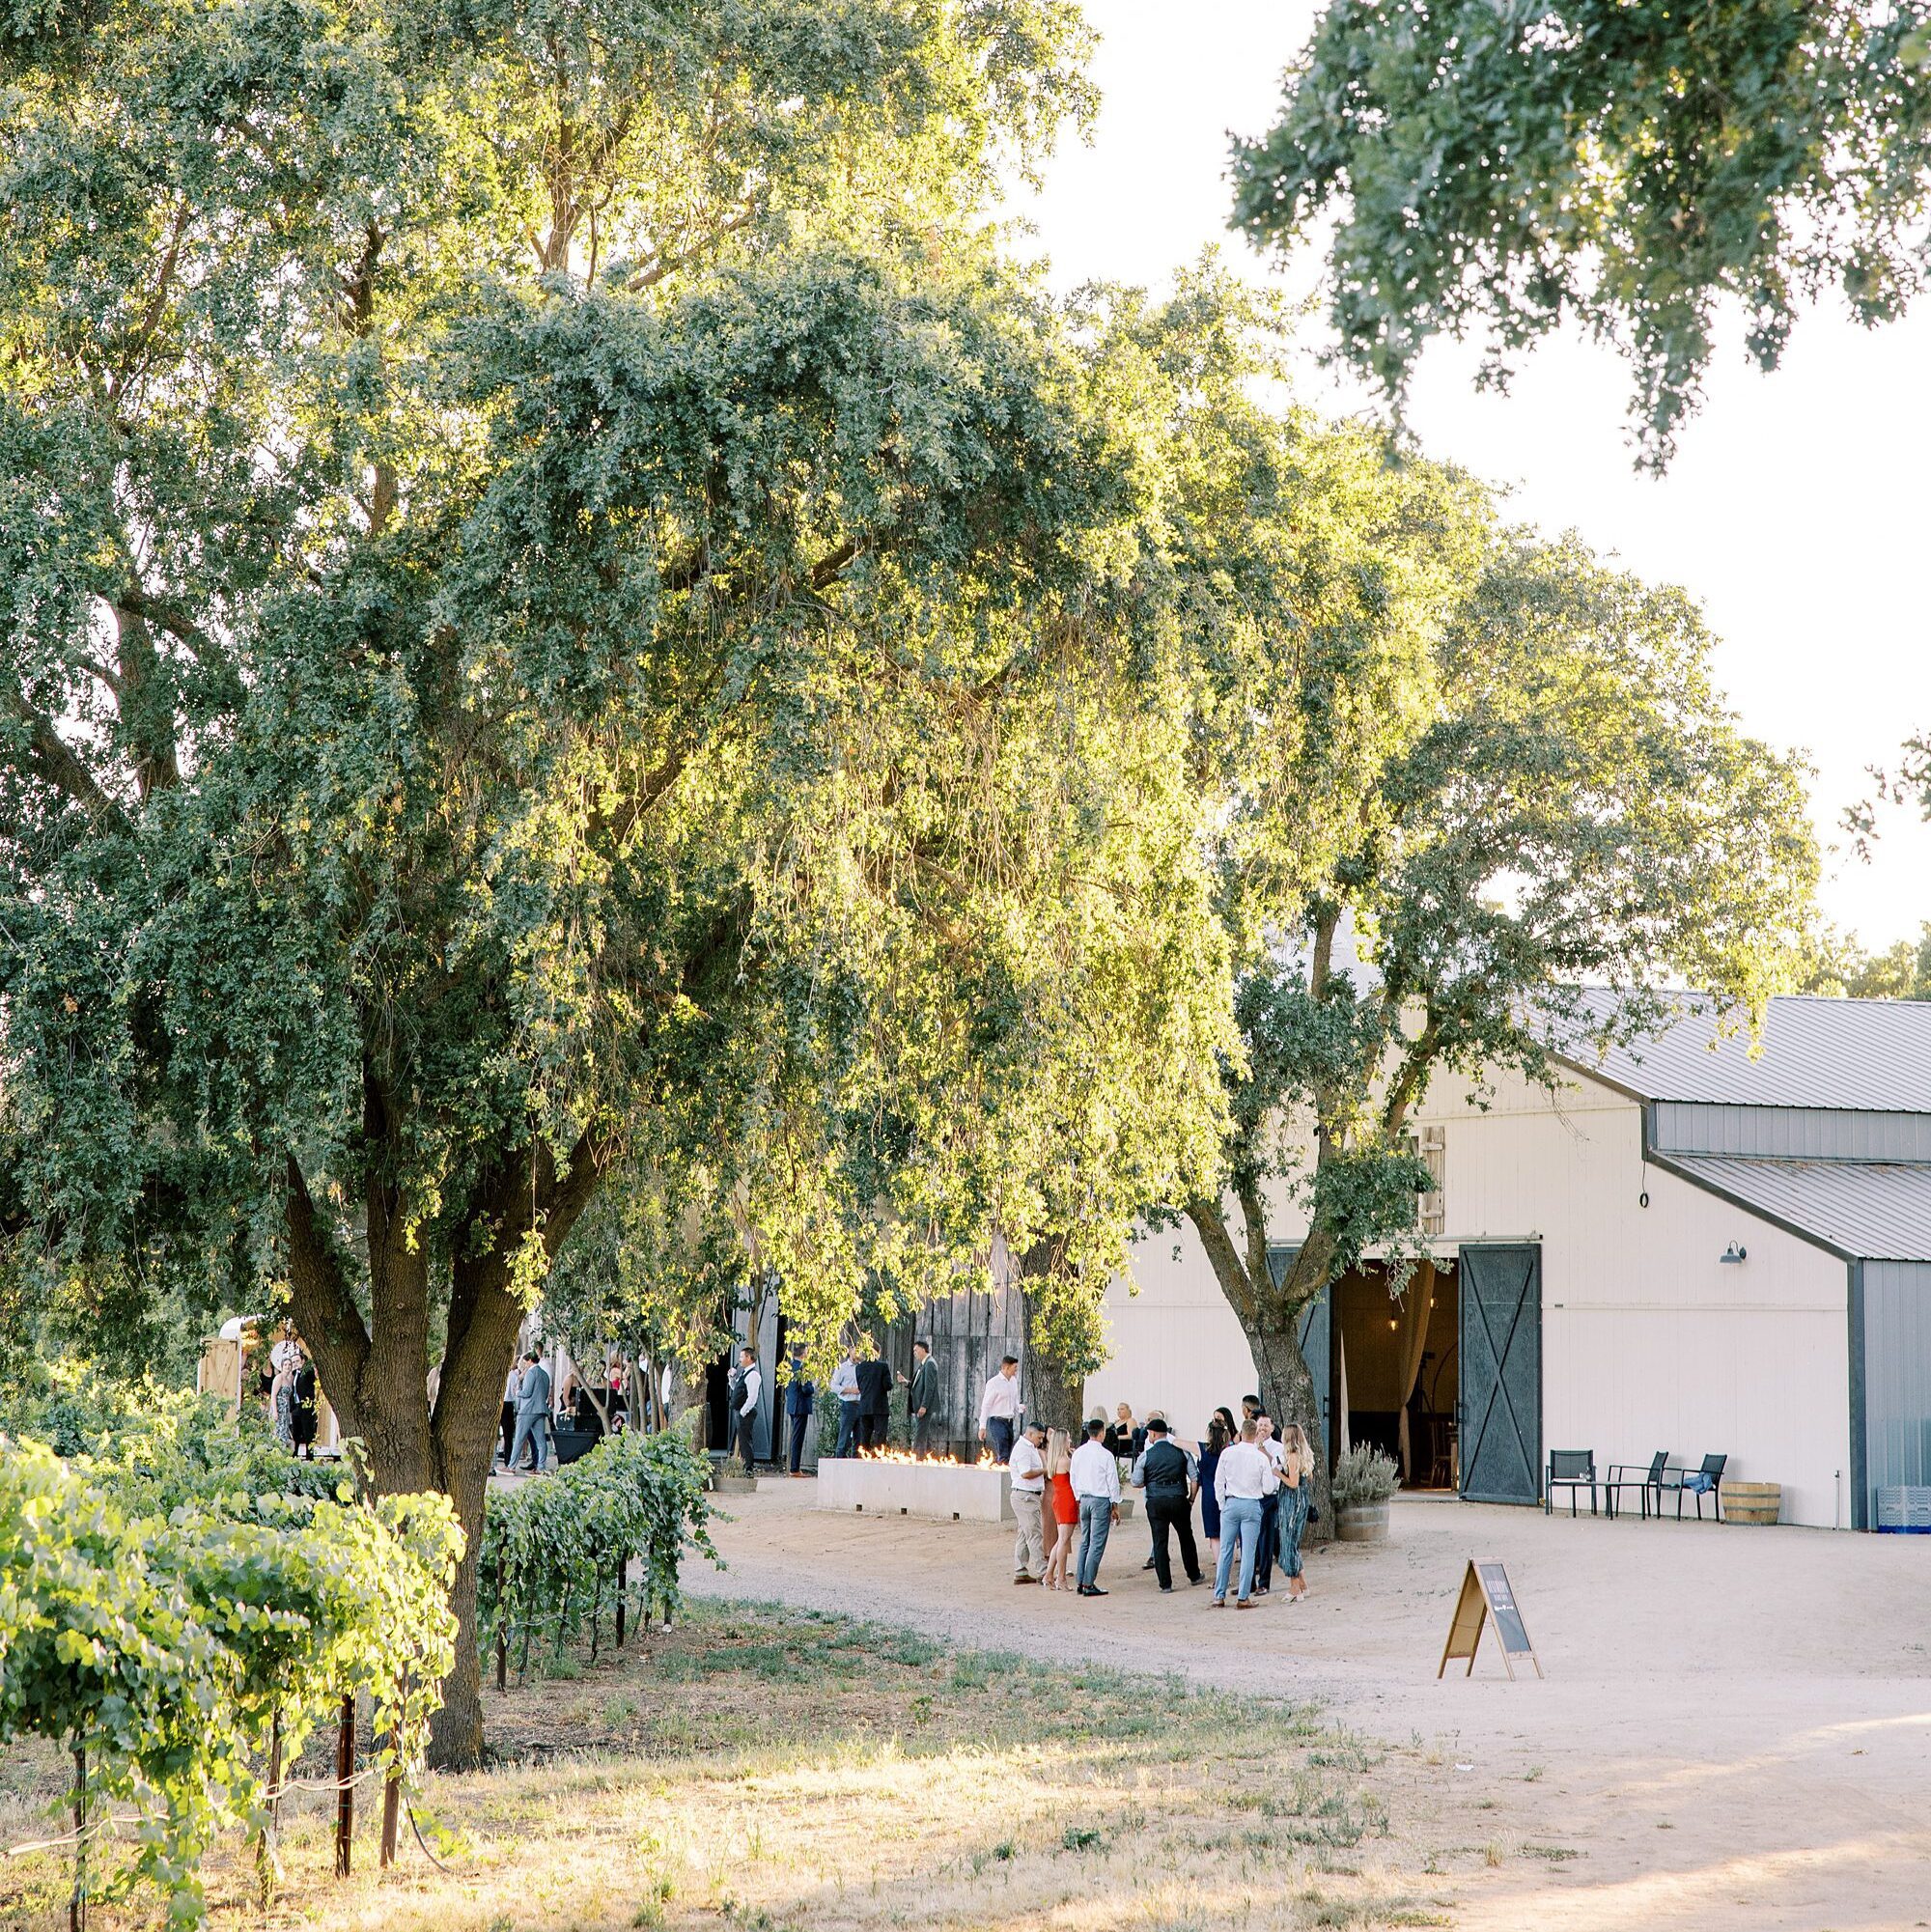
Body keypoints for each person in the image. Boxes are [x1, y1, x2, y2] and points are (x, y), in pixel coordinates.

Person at [1212, 1417, 1277, 1609]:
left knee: (1225, 1550)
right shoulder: (1260, 1457)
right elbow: (1268, 1487)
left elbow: (1218, 1481)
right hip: (1251, 1503)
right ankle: (1243, 1596)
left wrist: (1222, 1503)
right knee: (1249, 1552)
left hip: (1231, 1502)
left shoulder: (1228, 1453)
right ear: (1255, 1434)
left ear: (1240, 1433)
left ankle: (1219, 1595)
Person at [1131, 1417, 1202, 1590]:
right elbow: (1194, 1478)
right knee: (1186, 1538)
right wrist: (1191, 1499)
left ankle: (1165, 1583)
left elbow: (1135, 1481)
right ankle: (1193, 1574)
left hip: (1156, 1501)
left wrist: (1150, 1481)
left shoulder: (1146, 1455)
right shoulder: (1181, 1452)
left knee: (1160, 1541)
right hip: (1178, 1498)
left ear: (1153, 1434)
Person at [1069, 1417, 1121, 1596]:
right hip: (1100, 1499)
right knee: (1096, 1543)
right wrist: (1115, 1503)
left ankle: (1080, 1580)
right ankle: (1088, 1583)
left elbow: (1073, 1477)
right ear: (1101, 1433)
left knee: (1085, 1540)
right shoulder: (1105, 1455)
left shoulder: (1078, 1453)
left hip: (1083, 1498)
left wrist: (1078, 1496)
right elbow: (1112, 1481)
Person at [1008, 1419, 1049, 1582]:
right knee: (1034, 1534)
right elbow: (1026, 1473)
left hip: (1027, 1495)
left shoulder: (1029, 1448)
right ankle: (1043, 1571)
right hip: (1025, 1495)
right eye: (1039, 1438)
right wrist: (1045, 1470)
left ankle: (1020, 1570)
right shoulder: (1023, 1449)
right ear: (1030, 1434)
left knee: (1024, 1534)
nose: (1041, 1441)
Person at [1278, 1422, 1313, 1602]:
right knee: (1294, 1543)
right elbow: (1309, 1478)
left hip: (1291, 1502)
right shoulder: (1305, 1456)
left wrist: (1278, 1474)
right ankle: (1303, 1584)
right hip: (1302, 1500)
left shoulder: (1292, 1456)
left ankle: (1294, 1587)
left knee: (1288, 1543)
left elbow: (1292, 1482)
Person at [1042, 1429, 1078, 1591]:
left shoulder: (1054, 1459)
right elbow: (1077, 1476)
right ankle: (1060, 1577)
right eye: (1068, 1439)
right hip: (1067, 1499)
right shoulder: (1066, 1461)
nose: (1070, 1441)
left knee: (1061, 1539)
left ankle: (1049, 1575)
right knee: (1064, 1540)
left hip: (1059, 1497)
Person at [1254, 1414, 1284, 1596]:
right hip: (1252, 1496)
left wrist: (1262, 1448)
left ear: (1272, 1428)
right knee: (1249, 1542)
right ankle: (1248, 1581)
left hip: (1269, 1497)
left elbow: (1278, 1466)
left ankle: (1264, 1582)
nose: (1262, 1428)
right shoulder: (1249, 1445)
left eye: (1266, 1425)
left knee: (1266, 1541)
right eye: (1260, 1425)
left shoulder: (1278, 1447)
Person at [510, 1349, 551, 1473]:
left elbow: (527, 1392)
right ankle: (541, 1467)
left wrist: (517, 1391)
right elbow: (545, 1393)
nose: (524, 1364)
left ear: (529, 1361)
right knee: (541, 1441)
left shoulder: (531, 1373)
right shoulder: (544, 1374)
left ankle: (511, 1466)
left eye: (525, 1361)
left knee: (519, 1439)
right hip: (540, 1409)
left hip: (527, 1410)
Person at [1196, 1416, 1228, 1574]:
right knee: (1228, 1536)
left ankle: (1221, 1575)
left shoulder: (1202, 1449)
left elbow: (1175, 1441)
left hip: (1209, 1495)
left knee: (1214, 1537)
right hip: (1227, 1494)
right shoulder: (1228, 1451)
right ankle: (1228, 1572)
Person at [978, 1355, 1021, 1465]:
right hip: (997, 1421)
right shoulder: (993, 1383)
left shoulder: (1013, 1381)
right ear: (1006, 1367)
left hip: (1009, 1421)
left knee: (1009, 1451)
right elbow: (986, 1405)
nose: (1016, 1370)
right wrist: (982, 1427)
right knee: (1003, 1452)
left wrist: (1018, 1407)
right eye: (1014, 1368)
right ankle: (1001, 1476)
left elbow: (1014, 1400)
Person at [901, 1339, 940, 1456]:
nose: (914, 1353)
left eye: (916, 1350)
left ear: (923, 1349)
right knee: (924, 1435)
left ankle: (918, 1459)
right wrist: (906, 1382)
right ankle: (926, 1457)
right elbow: (918, 1384)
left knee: (920, 1436)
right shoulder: (924, 1364)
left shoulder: (930, 1364)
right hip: (919, 1406)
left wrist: (924, 1406)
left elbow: (929, 1388)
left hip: (924, 1407)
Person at [729, 1344, 762, 1472]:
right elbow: (736, 1389)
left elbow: (752, 1397)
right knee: (743, 1441)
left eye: (741, 1356)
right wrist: (732, 1378)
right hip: (741, 1412)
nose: (739, 1359)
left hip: (746, 1412)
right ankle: (745, 1467)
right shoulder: (745, 1373)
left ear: (749, 1357)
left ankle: (749, 1469)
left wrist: (743, 1412)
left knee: (746, 1441)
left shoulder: (753, 1375)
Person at [855, 1340, 893, 1451]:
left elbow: (860, 1386)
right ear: (877, 1352)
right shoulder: (883, 1367)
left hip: (865, 1406)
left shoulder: (859, 1367)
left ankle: (863, 1459)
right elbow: (887, 1386)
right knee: (880, 1437)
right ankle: (878, 1460)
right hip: (879, 1407)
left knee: (864, 1438)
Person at [784, 1348, 815, 1477]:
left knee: (795, 1437)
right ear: (803, 1354)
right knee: (798, 1438)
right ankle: (794, 1468)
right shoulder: (802, 1368)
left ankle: (793, 1466)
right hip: (801, 1406)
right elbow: (805, 1389)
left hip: (792, 1405)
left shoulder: (788, 1367)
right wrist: (813, 1386)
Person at [829, 1344, 861, 1457]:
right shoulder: (842, 1367)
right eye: (855, 1350)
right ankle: (839, 1465)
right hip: (848, 1405)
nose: (857, 1353)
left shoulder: (862, 1367)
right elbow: (833, 1386)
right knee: (844, 1438)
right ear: (849, 1351)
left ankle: (856, 1467)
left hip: (862, 1405)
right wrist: (850, 1390)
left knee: (859, 1441)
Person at [290, 1349, 319, 1460]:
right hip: (296, 1406)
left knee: (308, 1432)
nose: (295, 1364)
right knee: (296, 1432)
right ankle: (295, 1453)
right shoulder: (294, 1373)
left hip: (306, 1406)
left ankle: (309, 1456)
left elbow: (313, 1373)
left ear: (302, 1361)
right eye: (293, 1362)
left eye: (297, 1361)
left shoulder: (308, 1372)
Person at [499, 1358, 521, 1467]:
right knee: (508, 1436)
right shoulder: (513, 1375)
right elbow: (515, 1393)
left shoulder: (499, 1373)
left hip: (500, 1403)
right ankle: (508, 1461)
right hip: (508, 1404)